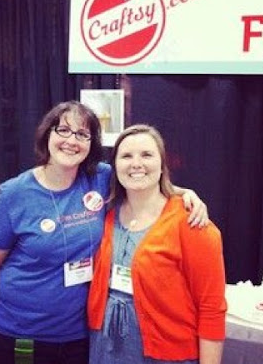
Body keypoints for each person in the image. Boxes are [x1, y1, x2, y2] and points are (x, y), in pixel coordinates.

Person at [0, 101, 209, 364]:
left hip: (80, 335)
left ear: (91, 144)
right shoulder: (13, 195)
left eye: (82, 134)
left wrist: (186, 194)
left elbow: (141, 179)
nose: (72, 141)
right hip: (22, 334)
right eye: (63, 130)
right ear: (47, 134)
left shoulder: (99, 178)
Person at [88, 124, 227, 364]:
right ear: (115, 166)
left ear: (162, 165)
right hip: (106, 347)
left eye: (147, 155)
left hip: (166, 353)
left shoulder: (192, 223)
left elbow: (211, 308)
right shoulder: (107, 214)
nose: (136, 164)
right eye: (126, 156)